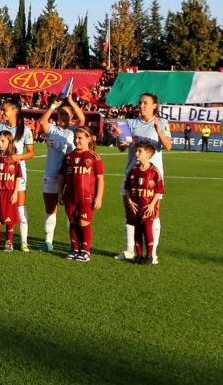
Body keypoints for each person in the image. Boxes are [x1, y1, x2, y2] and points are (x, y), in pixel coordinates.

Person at [110, 93, 171, 260]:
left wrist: (158, 130)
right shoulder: (129, 123)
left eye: (146, 103)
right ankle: (129, 250)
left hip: (152, 179)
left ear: (154, 106)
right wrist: (118, 136)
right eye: (140, 103)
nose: (142, 106)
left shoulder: (162, 122)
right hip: (132, 175)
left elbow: (168, 146)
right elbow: (122, 147)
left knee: (153, 214)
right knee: (130, 212)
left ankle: (153, 253)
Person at [37, 96, 85, 252]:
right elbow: (42, 122)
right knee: (50, 209)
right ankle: (48, 242)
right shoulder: (52, 129)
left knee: (71, 211)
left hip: (70, 177)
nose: (62, 116)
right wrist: (53, 106)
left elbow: (82, 118)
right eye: (60, 113)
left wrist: (71, 102)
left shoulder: (73, 131)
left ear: (71, 116)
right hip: (51, 174)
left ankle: (74, 244)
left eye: (66, 114)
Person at [0, 99, 35, 251]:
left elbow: (31, 153)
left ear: (15, 111)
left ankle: (23, 241)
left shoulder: (25, 130)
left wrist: (17, 157)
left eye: (5, 110)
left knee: (19, 209)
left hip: (16, 175)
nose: (2, 112)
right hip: (0, 175)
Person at [58, 126, 104, 262]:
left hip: (87, 197)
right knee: (73, 222)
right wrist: (60, 194)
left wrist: (99, 197)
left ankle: (85, 251)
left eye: (80, 138)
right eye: (75, 138)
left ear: (88, 139)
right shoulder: (68, 157)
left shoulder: (94, 157)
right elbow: (61, 177)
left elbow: (100, 178)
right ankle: (75, 249)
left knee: (83, 222)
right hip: (70, 195)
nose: (77, 141)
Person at [125, 140, 164, 265]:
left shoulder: (154, 171)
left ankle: (149, 255)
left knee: (147, 230)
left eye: (139, 151)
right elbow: (127, 188)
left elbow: (159, 190)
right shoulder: (134, 170)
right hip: (136, 207)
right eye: (136, 150)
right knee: (137, 231)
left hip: (147, 207)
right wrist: (130, 202)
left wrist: (152, 204)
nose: (136, 153)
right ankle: (139, 255)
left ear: (148, 155)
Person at [0, 131, 22, 251]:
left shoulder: (14, 158)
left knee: (9, 218)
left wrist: (15, 192)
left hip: (9, 191)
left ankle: (9, 241)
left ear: (9, 142)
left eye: (3, 141)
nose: (0, 143)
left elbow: (18, 176)